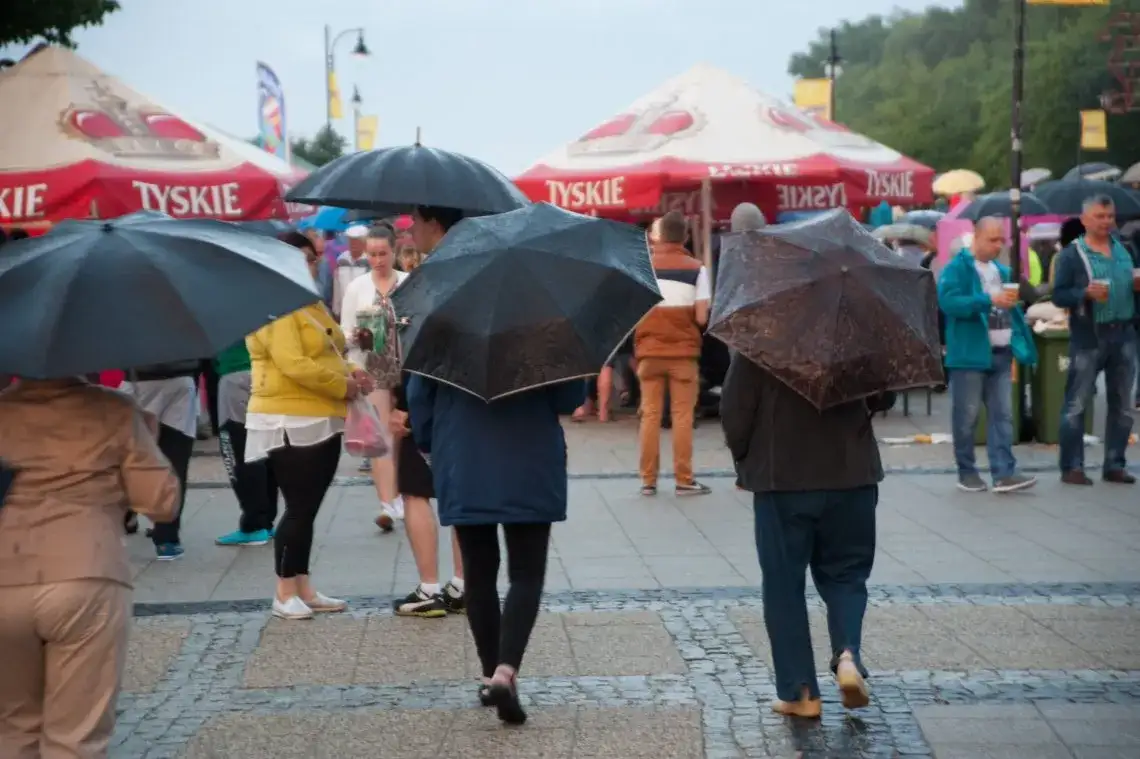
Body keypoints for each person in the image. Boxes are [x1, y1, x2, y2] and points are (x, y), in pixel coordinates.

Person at [0, 376, 180, 756]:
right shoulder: (113, 409)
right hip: (87, 573)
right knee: (77, 737)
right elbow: (160, 503)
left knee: (12, 728)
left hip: (6, 576)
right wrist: (146, 436)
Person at [720, 351, 896, 719]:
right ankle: (847, 655)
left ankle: (800, 692)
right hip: (853, 475)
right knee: (847, 576)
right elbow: (885, 396)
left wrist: (743, 460)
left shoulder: (761, 336)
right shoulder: (856, 332)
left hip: (782, 478)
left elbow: (735, 410)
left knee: (783, 585)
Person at [407, 373, 585, 725]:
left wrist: (433, 443)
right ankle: (506, 669)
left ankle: (490, 675)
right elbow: (568, 398)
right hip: (531, 457)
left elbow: (419, 397)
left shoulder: (442, 326)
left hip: (464, 454)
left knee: (478, 572)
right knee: (526, 573)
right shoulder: (546, 328)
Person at [245, 231, 375, 620]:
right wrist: (344, 385)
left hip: (323, 412)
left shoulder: (308, 301)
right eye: (300, 258)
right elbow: (293, 363)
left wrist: (352, 370)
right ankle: (284, 591)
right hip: (290, 414)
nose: (309, 265)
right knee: (299, 507)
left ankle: (303, 584)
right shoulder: (274, 305)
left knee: (309, 507)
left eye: (313, 258)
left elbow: (331, 348)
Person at [937, 217, 1038, 493]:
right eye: (992, 239)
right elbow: (947, 302)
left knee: (1003, 415)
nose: (997, 245)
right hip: (969, 355)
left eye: (1001, 240)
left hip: (1001, 352)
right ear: (976, 238)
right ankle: (967, 472)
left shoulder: (1002, 272)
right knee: (966, 416)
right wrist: (987, 300)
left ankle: (1004, 472)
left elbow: (1010, 307)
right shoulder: (957, 269)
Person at [1052, 195, 1138, 485]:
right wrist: (1084, 294)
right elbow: (1058, 294)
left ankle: (1115, 463)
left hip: (1124, 332)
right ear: (1085, 219)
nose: (1106, 222)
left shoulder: (1126, 250)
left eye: (1110, 216)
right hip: (1090, 335)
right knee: (1076, 403)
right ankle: (1072, 467)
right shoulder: (1072, 255)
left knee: (1123, 405)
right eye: (1100, 216)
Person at [634, 211, 711, 497]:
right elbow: (702, 318)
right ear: (685, 237)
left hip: (649, 353)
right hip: (683, 354)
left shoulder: (643, 266)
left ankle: (648, 480)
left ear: (658, 236)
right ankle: (684, 479)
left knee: (650, 416)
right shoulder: (696, 269)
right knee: (682, 416)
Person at [340, 226, 408, 524]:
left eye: (383, 253)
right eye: (372, 254)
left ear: (394, 251)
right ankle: (387, 503)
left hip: (407, 367)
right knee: (381, 435)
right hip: (373, 366)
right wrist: (357, 336)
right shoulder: (357, 287)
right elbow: (343, 333)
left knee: (401, 432)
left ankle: (402, 493)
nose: (377, 260)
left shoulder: (409, 283)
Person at [119, 364, 201, 559]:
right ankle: (167, 538)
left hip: (138, 380)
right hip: (182, 379)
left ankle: (128, 510)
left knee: (130, 457)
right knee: (176, 460)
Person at [213, 338, 279, 546]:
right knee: (265, 447)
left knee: (236, 445)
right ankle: (266, 520)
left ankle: (254, 524)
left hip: (235, 374)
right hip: (266, 373)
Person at [331, 225, 371, 320]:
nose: (353, 244)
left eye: (357, 241)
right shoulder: (341, 260)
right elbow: (337, 286)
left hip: (365, 313)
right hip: (345, 312)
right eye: (351, 241)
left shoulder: (370, 261)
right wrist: (336, 310)